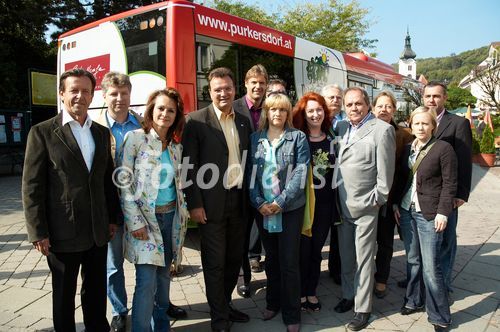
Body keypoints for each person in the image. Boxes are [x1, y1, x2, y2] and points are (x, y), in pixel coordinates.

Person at [22, 68, 119, 332]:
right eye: (74, 90)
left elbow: (107, 179)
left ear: (92, 94)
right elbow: (31, 186)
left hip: (97, 230)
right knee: (64, 295)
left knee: (96, 291)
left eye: (85, 91)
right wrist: (37, 231)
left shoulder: (100, 132)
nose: (80, 96)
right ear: (62, 93)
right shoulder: (42, 133)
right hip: (62, 231)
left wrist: (112, 218)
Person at [182, 67, 252, 332]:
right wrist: (194, 204)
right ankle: (219, 318)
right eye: (217, 89)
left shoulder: (243, 120)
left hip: (239, 201)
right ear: (209, 91)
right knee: (215, 263)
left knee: (234, 259)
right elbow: (188, 167)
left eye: (227, 88)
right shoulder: (196, 121)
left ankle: (225, 305)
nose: (223, 93)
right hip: (209, 206)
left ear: (235, 89)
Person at [119, 88, 189, 331]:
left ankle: (161, 326)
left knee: (163, 279)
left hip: (170, 219)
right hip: (144, 222)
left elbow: (178, 186)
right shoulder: (135, 139)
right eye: (161, 108)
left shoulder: (175, 148)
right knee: (146, 282)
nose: (165, 114)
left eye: (171, 110)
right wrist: (135, 221)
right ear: (151, 110)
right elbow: (124, 184)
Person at [334, 86, 396, 331]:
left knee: (363, 260)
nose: (353, 108)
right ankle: (349, 295)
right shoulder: (340, 127)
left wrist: (377, 199)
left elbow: (386, 173)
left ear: (367, 104)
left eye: (358, 103)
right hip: (341, 205)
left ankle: (363, 309)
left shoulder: (382, 130)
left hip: (365, 207)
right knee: (347, 256)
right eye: (348, 105)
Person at [392, 106, 457, 332]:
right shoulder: (409, 147)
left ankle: (439, 315)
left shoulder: (443, 148)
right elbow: (401, 178)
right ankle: (413, 300)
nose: (420, 127)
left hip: (430, 214)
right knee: (412, 260)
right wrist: (394, 203)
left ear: (433, 126)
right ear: (411, 125)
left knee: (431, 266)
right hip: (407, 211)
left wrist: (443, 213)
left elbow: (450, 184)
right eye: (416, 123)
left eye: (425, 123)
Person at [249, 93, 310, 332]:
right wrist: (258, 202)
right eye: (273, 109)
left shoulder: (297, 138)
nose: (277, 114)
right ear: (266, 112)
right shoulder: (255, 139)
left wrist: (281, 202)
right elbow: (250, 175)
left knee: (288, 262)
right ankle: (272, 302)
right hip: (263, 209)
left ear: (288, 114)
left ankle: (292, 313)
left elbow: (300, 174)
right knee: (271, 260)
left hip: (290, 209)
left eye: (282, 110)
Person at [95, 71, 142, 332]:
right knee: (113, 265)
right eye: (114, 94)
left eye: (124, 93)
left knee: (149, 261)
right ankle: (119, 311)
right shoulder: (95, 128)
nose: (119, 99)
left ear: (130, 95)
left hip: (141, 206)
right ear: (104, 96)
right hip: (110, 208)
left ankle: (157, 303)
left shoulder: (142, 124)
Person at [423, 82, 472, 293]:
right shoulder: (420, 120)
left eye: (436, 96)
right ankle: (424, 281)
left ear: (445, 98)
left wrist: (461, 193)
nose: (431, 100)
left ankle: (442, 286)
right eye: (427, 96)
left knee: (446, 241)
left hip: (447, 194)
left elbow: (464, 159)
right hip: (424, 194)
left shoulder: (458, 123)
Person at [292, 92, 337, 312]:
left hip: (325, 205)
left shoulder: (332, 140)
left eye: (319, 109)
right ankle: (299, 292)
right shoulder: (297, 139)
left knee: (316, 251)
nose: (315, 114)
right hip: (302, 205)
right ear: (303, 113)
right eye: (310, 110)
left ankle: (311, 291)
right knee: (302, 251)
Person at [371, 91, 413, 299]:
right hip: (369, 198)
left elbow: (407, 171)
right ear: (373, 109)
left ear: (394, 110)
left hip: (391, 200)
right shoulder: (366, 131)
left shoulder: (405, 136)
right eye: (379, 106)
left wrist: (395, 200)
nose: (383, 110)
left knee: (386, 242)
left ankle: (381, 280)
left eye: (388, 106)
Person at [233, 64, 268, 298]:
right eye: (253, 82)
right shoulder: (233, 108)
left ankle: (274, 279)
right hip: (240, 182)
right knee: (241, 234)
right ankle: (243, 279)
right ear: (246, 83)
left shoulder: (271, 109)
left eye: (262, 83)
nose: (257, 86)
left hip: (267, 182)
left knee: (267, 233)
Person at [320, 84, 344, 284]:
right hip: (321, 183)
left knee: (338, 229)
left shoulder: (347, 122)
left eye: (338, 97)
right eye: (331, 97)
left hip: (342, 182)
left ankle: (336, 269)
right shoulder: (316, 120)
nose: (335, 100)